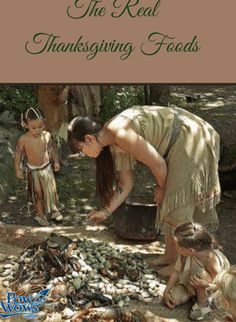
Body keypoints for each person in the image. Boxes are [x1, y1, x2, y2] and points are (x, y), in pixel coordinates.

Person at [67, 105, 221, 274]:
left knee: (177, 202)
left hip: (190, 137)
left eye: (82, 149)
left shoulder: (120, 133)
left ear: (89, 138)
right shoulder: (112, 140)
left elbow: (158, 164)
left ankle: (182, 265)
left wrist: (161, 188)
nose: (84, 154)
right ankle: (170, 256)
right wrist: (105, 212)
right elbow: (126, 184)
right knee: (169, 202)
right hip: (180, 141)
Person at [163, 222, 230, 321]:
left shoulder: (211, 260)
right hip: (192, 283)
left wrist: (204, 286)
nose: (176, 248)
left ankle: (203, 303)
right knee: (174, 299)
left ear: (190, 251)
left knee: (198, 272)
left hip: (212, 289)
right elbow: (177, 272)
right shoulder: (184, 254)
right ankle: (193, 294)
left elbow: (221, 286)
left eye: (178, 245)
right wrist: (166, 291)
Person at [14, 107, 63, 226]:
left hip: (47, 169)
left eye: (40, 126)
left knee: (51, 191)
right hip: (33, 171)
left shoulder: (46, 135)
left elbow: (51, 148)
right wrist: (18, 169)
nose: (38, 130)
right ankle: (41, 216)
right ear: (25, 124)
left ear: (44, 122)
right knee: (38, 194)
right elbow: (18, 154)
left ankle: (54, 211)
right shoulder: (23, 139)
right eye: (33, 128)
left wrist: (56, 161)